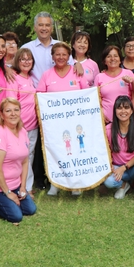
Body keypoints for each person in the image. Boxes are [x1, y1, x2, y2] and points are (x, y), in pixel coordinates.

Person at [36, 42, 89, 196]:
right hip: (53, 123)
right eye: (57, 54)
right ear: (52, 57)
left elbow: (87, 95)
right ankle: (56, 183)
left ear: (69, 56)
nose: (60, 57)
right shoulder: (46, 75)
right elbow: (39, 97)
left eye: (64, 54)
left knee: (75, 151)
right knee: (56, 151)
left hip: (75, 121)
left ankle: (76, 184)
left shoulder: (77, 72)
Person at [0, 98, 37, 224]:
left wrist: (22, 187)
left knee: (30, 209)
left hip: (15, 184)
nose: (13, 113)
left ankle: (6, 200)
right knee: (16, 216)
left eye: (16, 110)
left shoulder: (22, 131)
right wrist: (8, 193)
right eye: (8, 111)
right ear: (1, 114)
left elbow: (25, 161)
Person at [103, 96, 134, 208]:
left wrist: (124, 167)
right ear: (115, 111)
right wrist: (110, 166)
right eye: (119, 108)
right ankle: (123, 185)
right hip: (117, 166)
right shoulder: (108, 129)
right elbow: (105, 152)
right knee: (108, 182)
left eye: (126, 108)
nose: (123, 111)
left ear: (131, 111)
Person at [7, 47, 39, 194]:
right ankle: (15, 186)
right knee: (17, 157)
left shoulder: (31, 78)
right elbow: (11, 103)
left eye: (29, 59)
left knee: (29, 156)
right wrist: (15, 124)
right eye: (23, 59)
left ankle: (27, 187)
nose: (26, 62)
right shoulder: (14, 77)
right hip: (18, 126)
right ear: (17, 60)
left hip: (33, 126)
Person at [95, 45, 134, 123]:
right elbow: (96, 99)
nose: (113, 59)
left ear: (120, 60)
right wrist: (101, 114)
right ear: (104, 61)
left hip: (126, 118)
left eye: (115, 56)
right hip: (106, 120)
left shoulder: (128, 73)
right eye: (109, 56)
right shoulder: (99, 77)